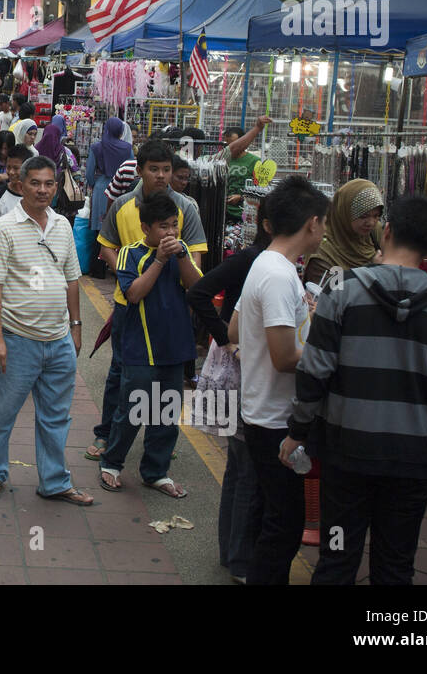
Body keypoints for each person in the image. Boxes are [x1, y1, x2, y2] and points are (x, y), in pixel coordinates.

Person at [285, 194, 427, 585]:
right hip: (414, 457)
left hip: (347, 452)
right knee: (395, 562)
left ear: (386, 232)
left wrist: (297, 432)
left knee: (337, 556)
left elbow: (314, 371)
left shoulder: (341, 291)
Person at [227, 175, 330, 585]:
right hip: (275, 420)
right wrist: (331, 354)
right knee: (283, 525)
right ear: (311, 223)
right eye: (323, 222)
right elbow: (285, 357)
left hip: (265, 412)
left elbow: (237, 329)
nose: (323, 230)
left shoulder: (271, 267)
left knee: (273, 516)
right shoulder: (278, 275)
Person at [0, 155, 94, 506]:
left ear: (56, 188)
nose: (42, 190)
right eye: (35, 183)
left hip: (58, 340)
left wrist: (75, 326)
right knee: (3, 414)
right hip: (16, 340)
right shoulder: (3, 228)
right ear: (21, 185)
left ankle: (55, 481)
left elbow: (72, 279)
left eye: (48, 184)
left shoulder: (62, 226)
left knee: (56, 417)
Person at [88, 140, 207, 461]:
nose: (161, 176)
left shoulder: (187, 209)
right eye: (153, 169)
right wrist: (130, 273)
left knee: (167, 384)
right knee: (122, 377)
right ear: (139, 171)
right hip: (129, 305)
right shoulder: (124, 204)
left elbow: (196, 266)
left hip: (171, 310)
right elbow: (106, 247)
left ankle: (157, 454)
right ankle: (107, 437)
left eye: (166, 170)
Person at [98, 191, 202, 497]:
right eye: (163, 227)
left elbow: (197, 287)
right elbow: (134, 294)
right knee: (132, 409)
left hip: (174, 347)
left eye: (174, 226)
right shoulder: (130, 254)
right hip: (140, 346)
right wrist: (159, 260)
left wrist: (181, 255)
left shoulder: (181, 252)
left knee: (167, 412)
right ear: (146, 228)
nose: (170, 233)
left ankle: (156, 471)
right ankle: (112, 462)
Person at [188, 213, 272, 583]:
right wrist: (225, 339)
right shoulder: (253, 259)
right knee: (245, 470)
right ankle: (239, 560)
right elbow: (198, 292)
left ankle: (232, 553)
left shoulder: (268, 262)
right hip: (238, 371)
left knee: (239, 468)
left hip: (242, 369)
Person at [302, 178, 384, 286]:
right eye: (364, 216)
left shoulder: (373, 233)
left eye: (376, 216)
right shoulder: (323, 252)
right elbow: (332, 295)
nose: (371, 223)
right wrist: (371, 270)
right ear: (344, 212)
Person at [86, 117, 134, 248]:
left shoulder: (96, 147)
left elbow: (89, 173)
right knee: (119, 227)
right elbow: (131, 170)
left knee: (100, 230)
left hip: (101, 189)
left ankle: (98, 263)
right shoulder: (127, 148)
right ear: (120, 131)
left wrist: (94, 184)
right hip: (122, 190)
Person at [220, 115, 271, 222]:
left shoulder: (255, 162)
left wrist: (241, 197)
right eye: (227, 145)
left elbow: (262, 190)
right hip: (222, 212)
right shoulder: (220, 160)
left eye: (235, 143)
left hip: (246, 213)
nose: (232, 148)